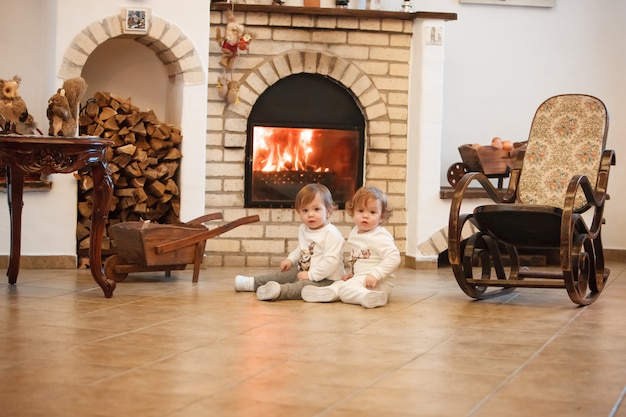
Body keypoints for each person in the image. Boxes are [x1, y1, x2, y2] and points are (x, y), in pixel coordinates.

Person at [234, 183, 345, 301]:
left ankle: (278, 291)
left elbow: (331, 262)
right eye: (305, 210)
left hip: (326, 279)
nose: (310, 214)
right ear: (299, 212)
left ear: (328, 212)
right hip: (305, 272)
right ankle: (251, 283)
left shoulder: (331, 234)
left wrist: (311, 275)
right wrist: (290, 259)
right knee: (283, 275)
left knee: (300, 287)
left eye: (316, 209)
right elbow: (302, 249)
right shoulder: (304, 228)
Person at [301, 186, 400, 309]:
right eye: (361, 211)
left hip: (378, 282)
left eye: (372, 212)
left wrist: (376, 275)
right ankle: (328, 293)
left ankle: (368, 296)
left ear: (381, 217)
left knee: (347, 289)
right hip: (361, 277)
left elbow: (394, 257)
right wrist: (352, 273)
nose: (365, 216)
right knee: (340, 283)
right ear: (353, 213)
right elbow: (360, 258)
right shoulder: (356, 232)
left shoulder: (379, 235)